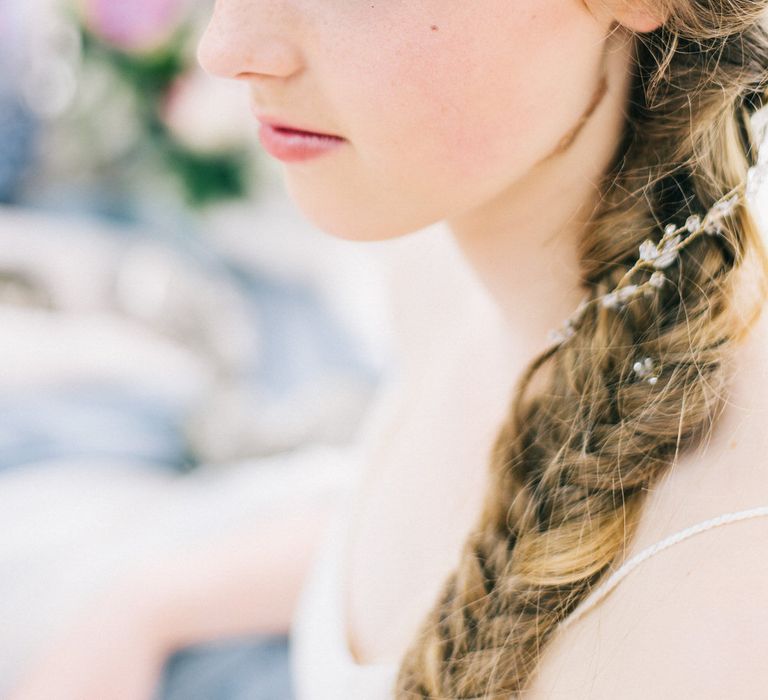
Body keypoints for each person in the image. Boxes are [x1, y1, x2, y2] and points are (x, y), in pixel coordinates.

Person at [10, 0, 768, 698]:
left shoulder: (723, 608)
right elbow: (441, 545)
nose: (223, 48)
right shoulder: (438, 276)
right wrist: (151, 606)